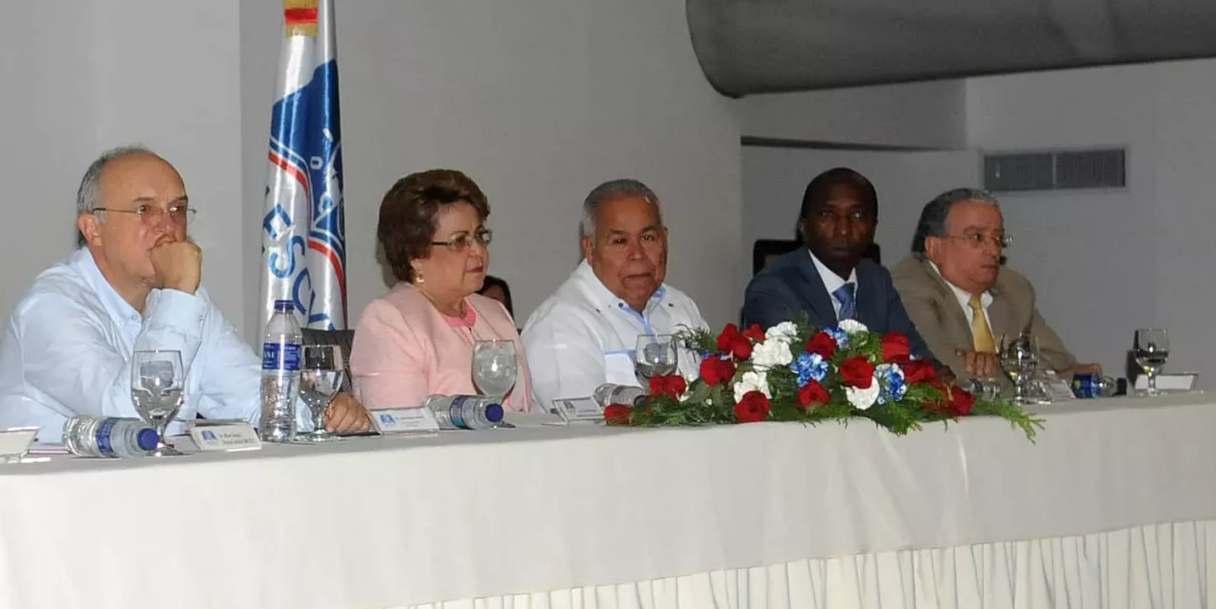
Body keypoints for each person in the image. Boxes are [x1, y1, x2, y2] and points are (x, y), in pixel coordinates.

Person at [0, 146, 371, 440]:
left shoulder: (186, 301)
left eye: (177, 210)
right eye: (144, 211)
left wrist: (322, 413)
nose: (167, 227)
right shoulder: (50, 308)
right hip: (43, 508)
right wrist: (178, 297)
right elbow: (132, 418)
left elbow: (256, 401)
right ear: (93, 228)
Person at [350, 169, 536, 412]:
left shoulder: (495, 314)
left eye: (479, 236)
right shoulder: (389, 321)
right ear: (416, 255)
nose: (478, 251)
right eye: (459, 241)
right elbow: (403, 433)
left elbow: (528, 412)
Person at [520, 179, 710, 406]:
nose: (637, 254)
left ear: (665, 240)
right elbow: (583, 429)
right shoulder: (560, 324)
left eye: (648, 238)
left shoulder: (681, 306)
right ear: (589, 249)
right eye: (620, 241)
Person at [891, 187, 1090, 383]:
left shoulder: (1015, 288)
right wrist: (1017, 368)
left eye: (998, 238)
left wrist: (993, 363)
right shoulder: (907, 289)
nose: (994, 250)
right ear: (934, 247)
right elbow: (940, 369)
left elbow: (1060, 362)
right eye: (977, 237)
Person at [739, 167, 936, 362]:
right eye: (828, 215)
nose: (843, 230)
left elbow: (917, 356)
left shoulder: (877, 280)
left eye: (857, 216)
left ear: (874, 227)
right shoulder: (772, 288)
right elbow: (792, 378)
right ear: (804, 226)